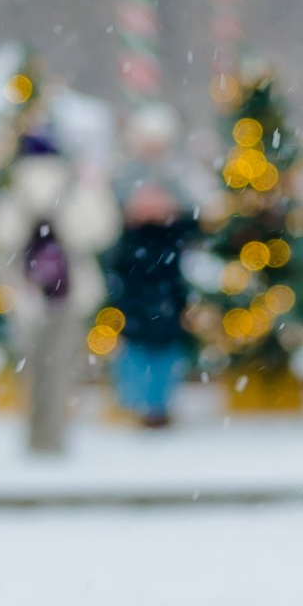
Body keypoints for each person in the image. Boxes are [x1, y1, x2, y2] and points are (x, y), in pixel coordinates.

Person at [0, 129, 117, 457]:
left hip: (26, 292)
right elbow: (101, 232)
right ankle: (55, 438)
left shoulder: (14, 189)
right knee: (62, 367)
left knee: (31, 368)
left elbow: (0, 237)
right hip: (71, 290)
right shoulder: (77, 187)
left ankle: (34, 436)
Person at [101, 175, 199, 428]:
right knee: (137, 356)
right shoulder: (126, 237)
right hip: (137, 309)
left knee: (165, 357)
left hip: (167, 307)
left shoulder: (175, 234)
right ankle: (137, 404)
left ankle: (158, 406)